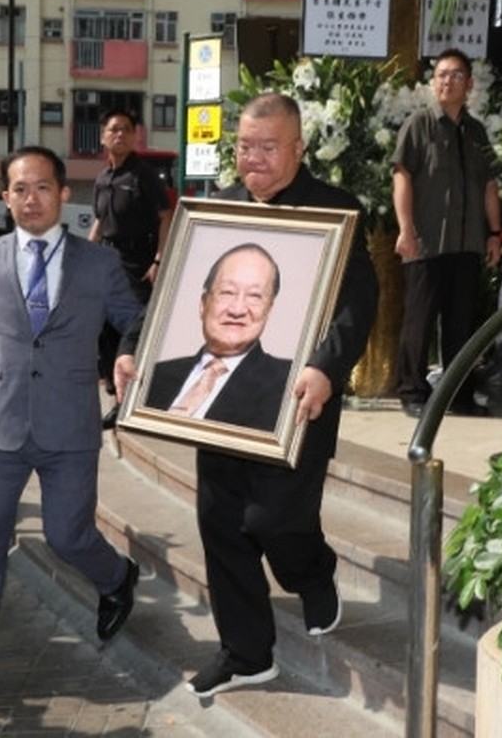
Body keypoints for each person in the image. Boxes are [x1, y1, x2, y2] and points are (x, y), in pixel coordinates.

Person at [133, 92, 377, 698]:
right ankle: (246, 654)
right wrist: (136, 354)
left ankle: (314, 574)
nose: (254, 158)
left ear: (298, 147)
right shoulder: (218, 211)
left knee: (275, 520)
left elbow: (357, 302)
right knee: (222, 525)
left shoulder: (337, 209)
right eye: (244, 146)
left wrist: (326, 367)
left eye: (269, 147)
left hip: (298, 398)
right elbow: (176, 291)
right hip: (218, 403)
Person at [0, 145, 144, 718]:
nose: (31, 199)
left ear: (64, 194)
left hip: (69, 424)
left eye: (42, 187)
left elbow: (135, 320)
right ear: (5, 197)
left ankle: (117, 576)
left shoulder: (98, 264)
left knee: (66, 536)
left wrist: (128, 353)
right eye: (20, 189)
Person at [391, 48, 502, 418]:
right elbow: (402, 178)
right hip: (425, 242)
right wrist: (405, 229)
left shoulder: (476, 132)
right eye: (440, 74)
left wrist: (495, 233)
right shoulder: (418, 125)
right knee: (418, 322)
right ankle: (412, 391)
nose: (446, 81)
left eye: (455, 75)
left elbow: (488, 185)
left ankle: (458, 393)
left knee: (461, 324)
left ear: (469, 84)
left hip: (467, 242)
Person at [145, 243, 292, 430]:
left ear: (269, 310)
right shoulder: (156, 374)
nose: (237, 309)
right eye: (227, 292)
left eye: (254, 296)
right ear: (203, 304)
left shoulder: (288, 385)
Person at [88, 108, 171, 415]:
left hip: (139, 262)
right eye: (113, 129)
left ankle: (136, 401)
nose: (120, 134)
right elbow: (98, 222)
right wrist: (82, 256)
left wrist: (159, 260)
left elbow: (166, 216)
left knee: (134, 329)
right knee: (104, 330)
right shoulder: (103, 178)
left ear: (135, 136)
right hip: (108, 260)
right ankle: (116, 393)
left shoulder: (144, 175)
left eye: (126, 129)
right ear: (103, 137)